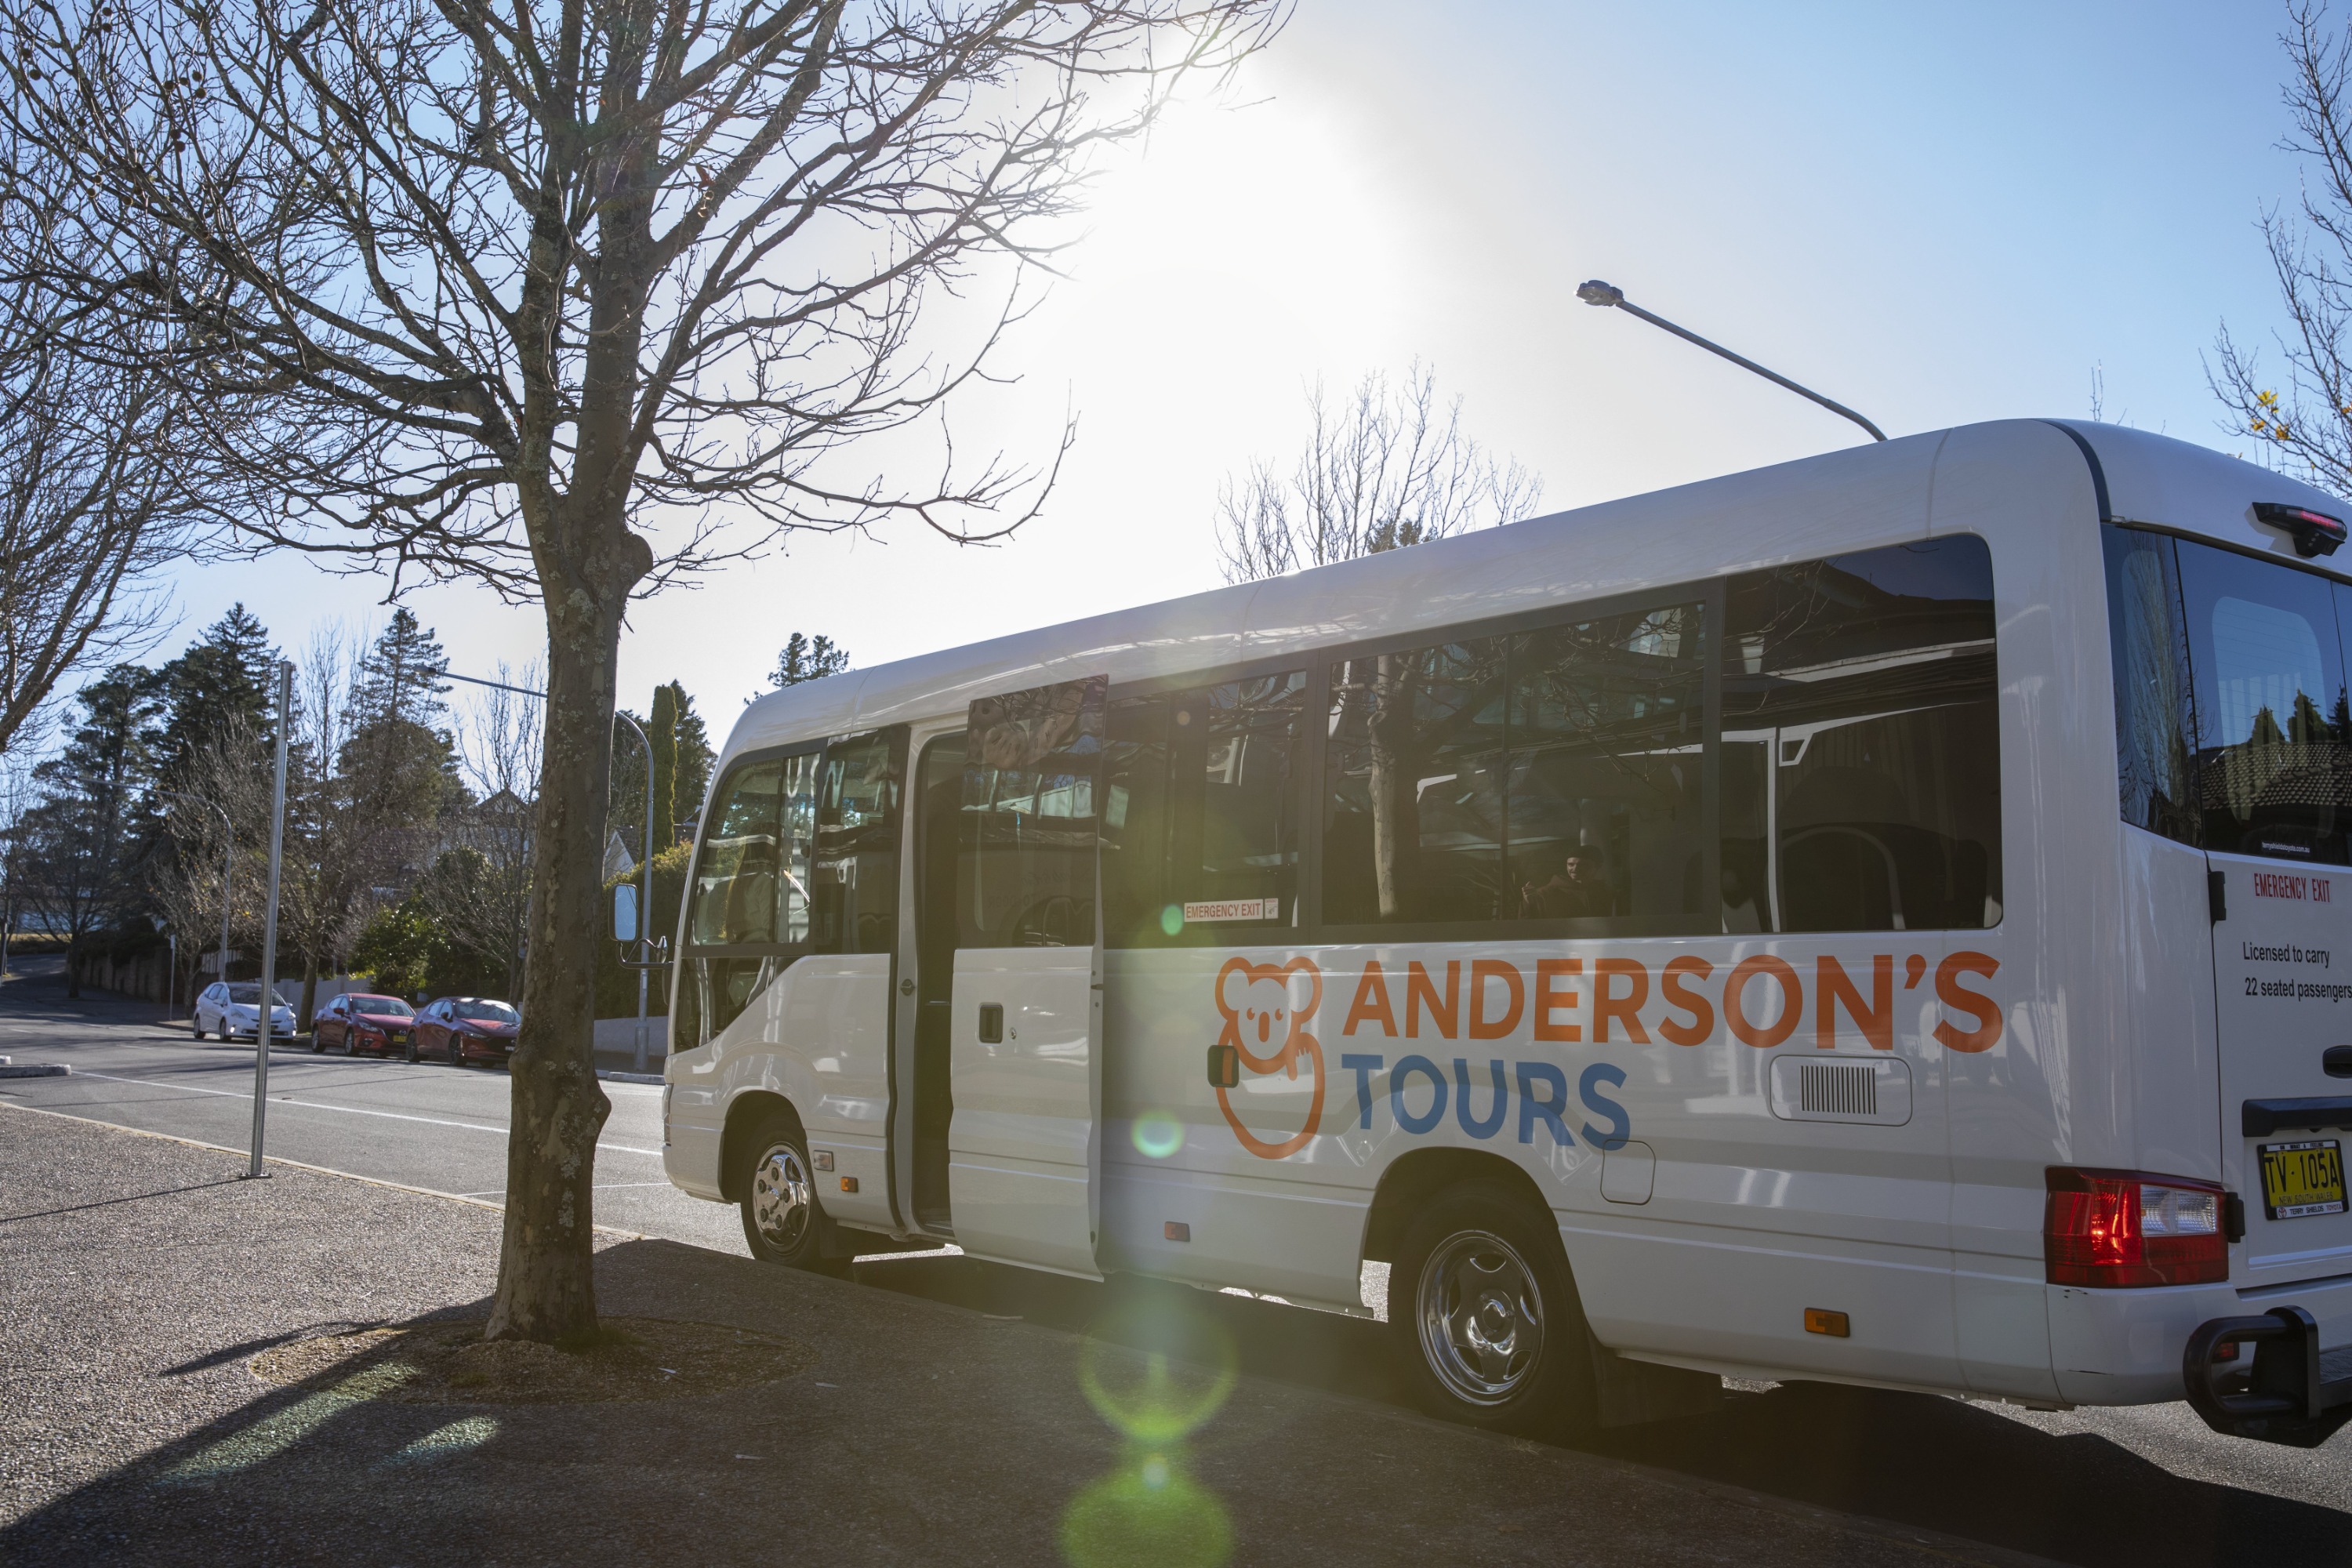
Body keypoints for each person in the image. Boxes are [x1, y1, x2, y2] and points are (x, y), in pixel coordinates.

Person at [1520, 848, 1613, 920]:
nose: (1575, 869)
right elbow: (1528, 927)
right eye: (1571, 864)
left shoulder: (1604, 891)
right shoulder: (1544, 893)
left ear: (1597, 867)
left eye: (1583, 865)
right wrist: (1529, 904)